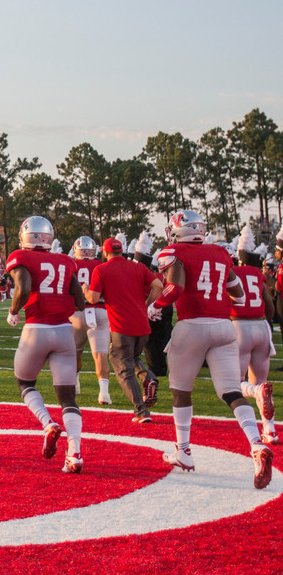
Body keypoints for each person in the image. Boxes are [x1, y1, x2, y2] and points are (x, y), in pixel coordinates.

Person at [151, 209, 273, 489]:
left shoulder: (172, 251)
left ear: (177, 230)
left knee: (181, 390)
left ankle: (184, 451)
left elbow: (175, 288)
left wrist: (153, 307)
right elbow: (238, 293)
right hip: (224, 327)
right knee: (231, 389)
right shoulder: (219, 253)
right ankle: (256, 445)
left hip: (192, 325)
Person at [5, 216, 88, 475]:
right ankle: (74, 454)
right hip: (64, 331)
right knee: (67, 397)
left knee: (26, 383)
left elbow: (24, 286)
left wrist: (14, 310)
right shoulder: (66, 260)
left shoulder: (21, 256)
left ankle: (47, 423)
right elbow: (80, 300)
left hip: (36, 330)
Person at [85, 237, 163, 423]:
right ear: (121, 251)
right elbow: (158, 286)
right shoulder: (138, 267)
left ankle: (141, 411)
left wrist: (85, 290)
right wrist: (146, 305)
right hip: (142, 325)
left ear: (105, 252)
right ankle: (147, 376)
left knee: (121, 366)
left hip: (121, 326)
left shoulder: (101, 269)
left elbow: (94, 298)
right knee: (133, 358)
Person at [232, 225, 276, 444]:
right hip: (260, 327)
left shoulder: (232, 272)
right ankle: (270, 430)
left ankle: (257, 391)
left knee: (234, 383)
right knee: (262, 378)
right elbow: (269, 306)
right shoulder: (258, 274)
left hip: (238, 326)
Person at [69, 236, 111, 405]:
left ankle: (75, 383)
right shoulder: (102, 266)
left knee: (76, 351)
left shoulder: (71, 265)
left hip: (76, 313)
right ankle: (104, 393)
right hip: (99, 312)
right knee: (100, 355)